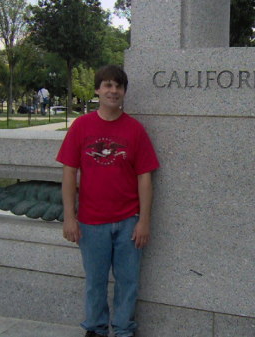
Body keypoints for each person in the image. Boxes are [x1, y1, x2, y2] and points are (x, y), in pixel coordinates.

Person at [57, 65, 160, 337]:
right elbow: (69, 173)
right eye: (107, 85)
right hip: (91, 223)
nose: (113, 91)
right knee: (95, 282)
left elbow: (145, 179)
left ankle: (124, 330)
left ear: (124, 92)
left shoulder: (135, 130)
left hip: (128, 223)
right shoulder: (82, 126)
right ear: (97, 90)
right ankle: (96, 329)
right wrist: (70, 217)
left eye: (118, 86)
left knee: (128, 282)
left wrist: (144, 222)